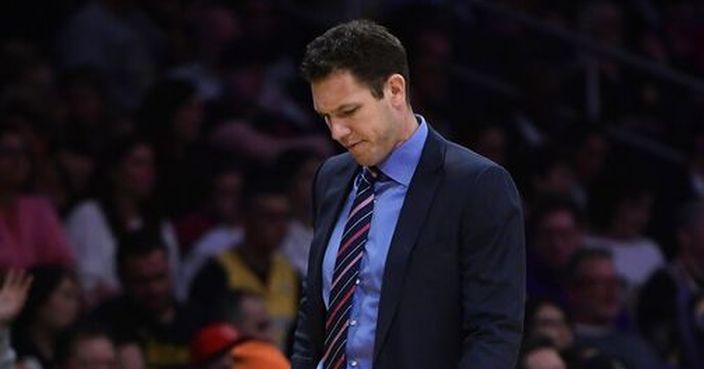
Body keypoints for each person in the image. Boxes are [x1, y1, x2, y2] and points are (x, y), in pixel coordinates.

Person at [292, 20, 525, 369]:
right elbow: (315, 309)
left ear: (395, 90)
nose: (337, 132)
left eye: (349, 111)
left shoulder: (477, 185)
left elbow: (493, 332)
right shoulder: (331, 176)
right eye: (326, 117)